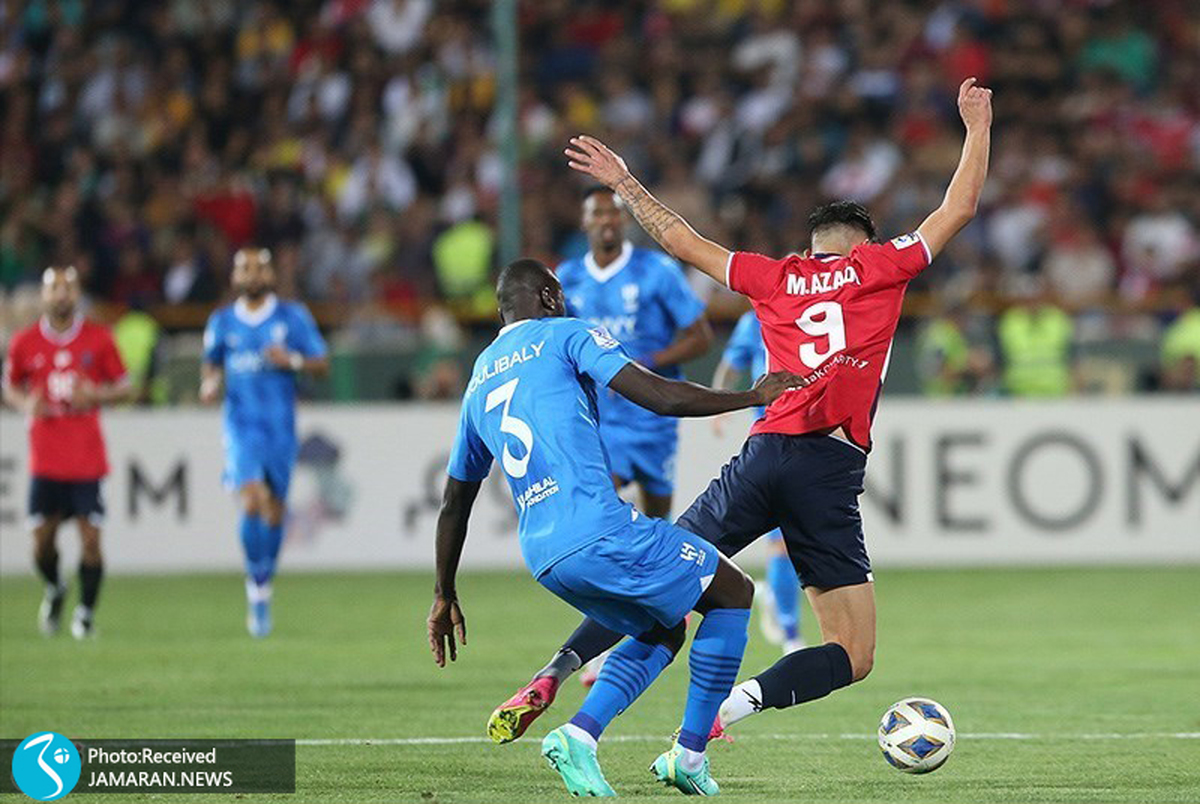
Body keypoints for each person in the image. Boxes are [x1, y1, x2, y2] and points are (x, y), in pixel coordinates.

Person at [490, 76, 992, 742]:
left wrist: (624, 181)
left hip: (762, 453)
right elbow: (958, 207)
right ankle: (726, 713)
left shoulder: (775, 275)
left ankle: (557, 670)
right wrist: (977, 126)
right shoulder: (883, 267)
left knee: (661, 575)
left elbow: (679, 239)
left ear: (810, 248)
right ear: (864, 245)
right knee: (853, 653)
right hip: (827, 466)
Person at [428, 258, 805, 796]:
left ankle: (580, 734)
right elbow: (660, 396)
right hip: (599, 531)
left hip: (544, 557)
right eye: (560, 294)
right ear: (550, 297)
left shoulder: (478, 378)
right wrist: (753, 396)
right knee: (733, 592)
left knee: (662, 626)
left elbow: (453, 502)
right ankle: (690, 755)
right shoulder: (566, 334)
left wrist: (443, 593)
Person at [556, 185, 714, 685]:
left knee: (657, 525)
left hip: (654, 418)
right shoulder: (567, 279)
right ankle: (600, 644)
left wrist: (650, 363)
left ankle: (648, 623)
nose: (606, 221)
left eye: (614, 213)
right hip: (601, 421)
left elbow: (700, 335)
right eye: (597, 213)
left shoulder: (656, 272)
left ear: (624, 221)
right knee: (603, 520)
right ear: (585, 222)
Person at [200, 248, 329, 637]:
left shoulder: (292, 317)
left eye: (260, 268)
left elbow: (321, 363)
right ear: (234, 276)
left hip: (280, 429)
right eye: (245, 268)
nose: (252, 274)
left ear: (271, 275)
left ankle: (262, 583)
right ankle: (255, 586)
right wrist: (209, 383)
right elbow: (211, 363)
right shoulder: (222, 322)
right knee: (252, 499)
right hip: (241, 426)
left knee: (274, 512)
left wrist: (291, 361)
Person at [2, 266, 132, 639]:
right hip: (46, 459)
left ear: (78, 294)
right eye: (54, 288)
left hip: (87, 458)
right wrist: (25, 403)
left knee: (91, 540)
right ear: (43, 295)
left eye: (68, 288)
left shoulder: (99, 338)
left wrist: (96, 395)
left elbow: (124, 386)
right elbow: (10, 387)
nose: (61, 295)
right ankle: (56, 586)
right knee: (42, 545)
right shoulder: (25, 342)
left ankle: (85, 614)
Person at [712, 310, 803, 654]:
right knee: (783, 543)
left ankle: (776, 602)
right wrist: (720, 403)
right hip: (771, 442)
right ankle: (792, 636)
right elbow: (730, 367)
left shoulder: (811, 315)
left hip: (812, 439)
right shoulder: (754, 321)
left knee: (796, 544)